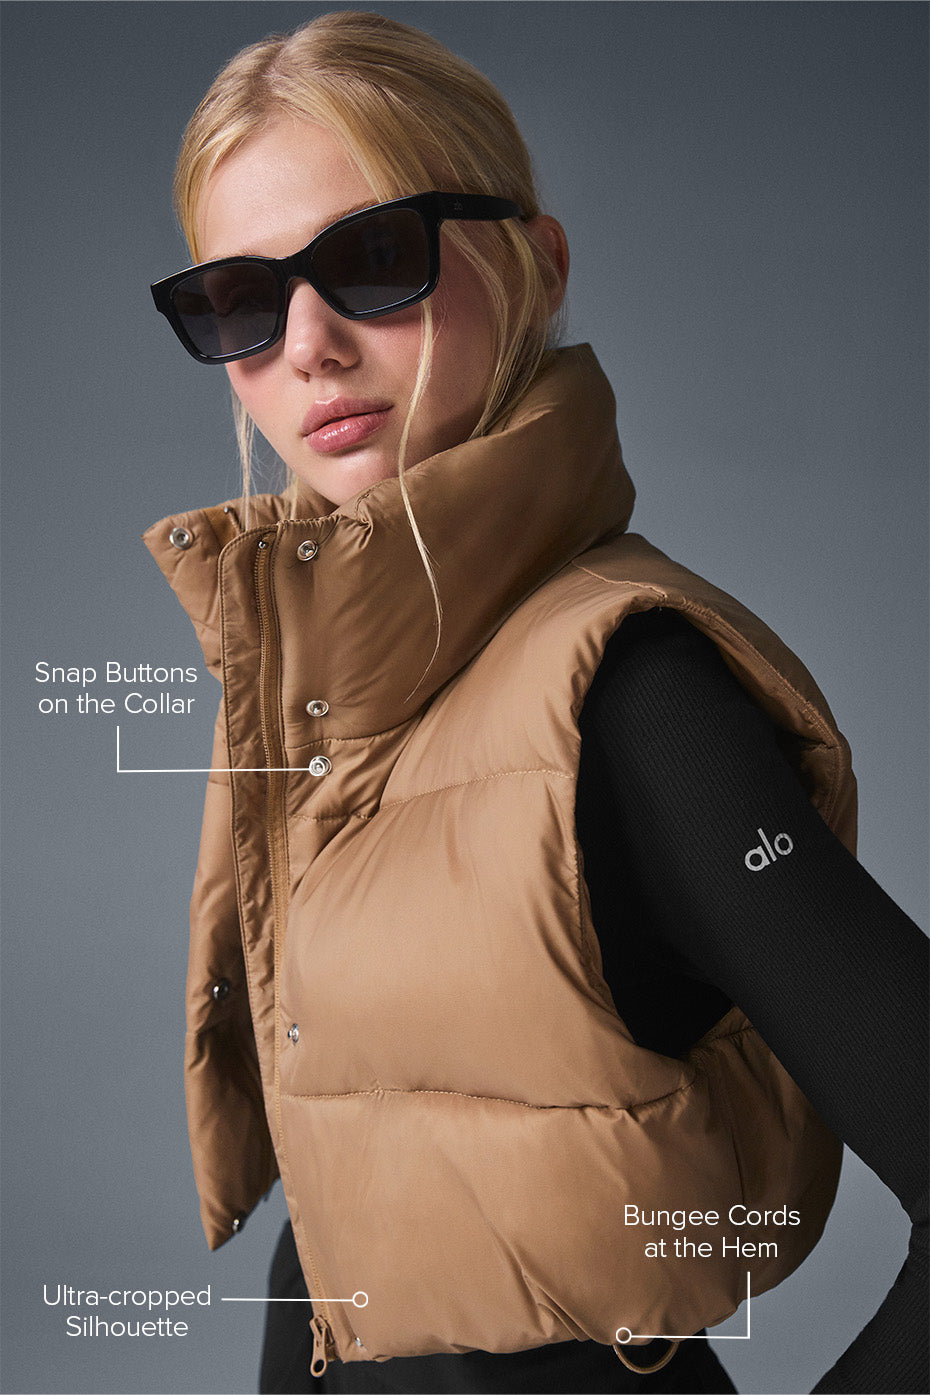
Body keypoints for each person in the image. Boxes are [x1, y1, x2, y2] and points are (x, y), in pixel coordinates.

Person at [145, 12, 927, 1394]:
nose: (308, 345)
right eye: (241, 301)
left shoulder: (633, 695)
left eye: (370, 261)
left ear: (535, 265)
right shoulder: (321, 702)